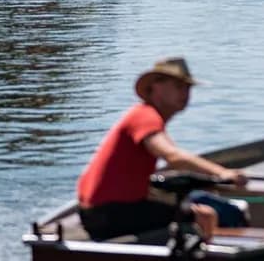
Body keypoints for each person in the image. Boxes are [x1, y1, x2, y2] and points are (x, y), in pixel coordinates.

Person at [76, 57, 249, 242]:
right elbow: (172, 156)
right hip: (111, 213)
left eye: (188, 88)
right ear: (156, 87)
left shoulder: (144, 117)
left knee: (186, 205)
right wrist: (223, 173)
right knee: (206, 216)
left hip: (96, 212)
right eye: (178, 86)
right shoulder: (146, 116)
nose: (185, 93)